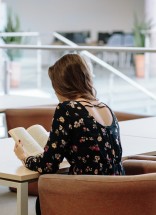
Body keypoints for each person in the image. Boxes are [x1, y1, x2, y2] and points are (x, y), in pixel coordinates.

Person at [14, 53, 125, 215]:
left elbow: (48, 165)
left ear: (62, 85)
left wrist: (24, 157)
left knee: (43, 195)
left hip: (89, 192)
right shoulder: (105, 107)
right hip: (118, 193)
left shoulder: (67, 109)